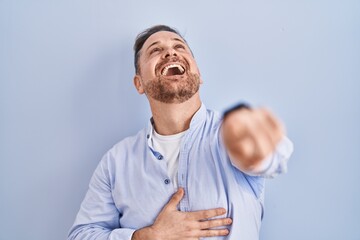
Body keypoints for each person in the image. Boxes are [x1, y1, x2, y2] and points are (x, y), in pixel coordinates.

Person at [68, 25, 293, 240]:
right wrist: (146, 237)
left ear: (199, 74)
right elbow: (81, 235)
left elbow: (270, 157)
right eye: (155, 50)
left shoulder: (230, 134)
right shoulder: (115, 162)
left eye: (179, 46)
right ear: (139, 84)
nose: (169, 52)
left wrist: (259, 151)